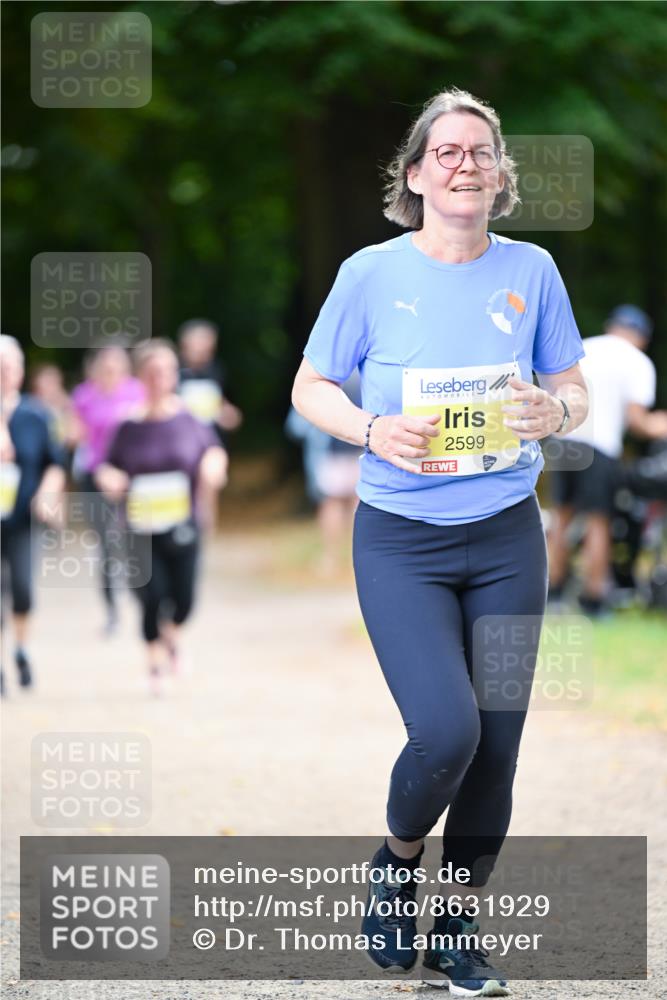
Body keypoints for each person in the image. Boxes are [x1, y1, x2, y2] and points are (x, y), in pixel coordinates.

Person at [292, 88, 588, 995]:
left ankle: (456, 931)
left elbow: (573, 391)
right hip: (401, 542)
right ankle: (394, 859)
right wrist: (369, 430)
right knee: (446, 729)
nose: (466, 165)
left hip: (504, 536)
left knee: (497, 745)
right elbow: (311, 387)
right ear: (415, 174)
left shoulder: (531, 270)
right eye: (447, 152)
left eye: (482, 153)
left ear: (499, 177)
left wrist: (554, 409)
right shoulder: (368, 274)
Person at [96, 339, 227, 695]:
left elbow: (213, 450)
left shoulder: (189, 419)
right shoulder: (127, 425)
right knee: (151, 596)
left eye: (166, 371)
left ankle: (173, 635)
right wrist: (110, 478)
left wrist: (213, 466)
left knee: (183, 601)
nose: (159, 378)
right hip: (139, 526)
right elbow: (105, 466)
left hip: (183, 523)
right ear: (140, 376)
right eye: (152, 372)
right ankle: (154, 665)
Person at [548, 304, 667, 615]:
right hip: (599, 445)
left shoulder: (585, 347)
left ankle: (553, 593)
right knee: (598, 521)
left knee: (561, 518)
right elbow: (638, 421)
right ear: (641, 337)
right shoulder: (638, 362)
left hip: (563, 439)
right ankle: (593, 598)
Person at [0, 335, 66, 692]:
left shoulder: (36, 415)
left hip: (22, 517)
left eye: (11, 367)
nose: (5, 374)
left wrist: (46, 492)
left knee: (23, 590)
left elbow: (54, 463)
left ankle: (22, 650)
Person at [71, 345, 146, 633]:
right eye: (107, 365)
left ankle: (141, 598)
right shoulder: (84, 395)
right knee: (105, 543)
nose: (111, 370)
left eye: (117, 365)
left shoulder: (136, 391)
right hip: (95, 473)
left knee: (132, 538)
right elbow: (76, 435)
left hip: (131, 475)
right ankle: (112, 610)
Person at [285, 372, 363, 577]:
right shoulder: (367, 371)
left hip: (334, 453)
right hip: (363, 453)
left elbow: (296, 427)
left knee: (333, 503)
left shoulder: (326, 372)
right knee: (358, 504)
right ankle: (356, 557)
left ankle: (331, 557)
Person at [177, 318, 243, 437]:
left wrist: (230, 415)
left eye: (210, 348)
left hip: (211, 440)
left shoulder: (217, 369)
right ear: (184, 344)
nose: (205, 352)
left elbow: (223, 403)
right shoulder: (171, 370)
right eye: (201, 345)